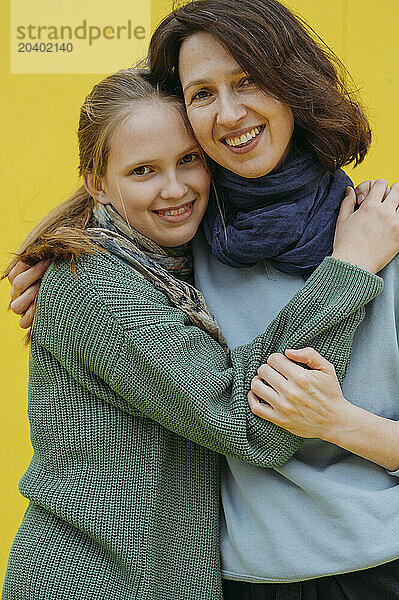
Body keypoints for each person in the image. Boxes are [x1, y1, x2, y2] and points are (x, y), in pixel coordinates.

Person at [5, 3, 399, 600]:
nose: (229, 112)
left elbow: (135, 159)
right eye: (203, 93)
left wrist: (342, 422)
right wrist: (349, 270)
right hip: (142, 581)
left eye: (248, 81)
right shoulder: (135, 267)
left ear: (294, 83)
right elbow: (245, 421)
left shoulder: (377, 227)